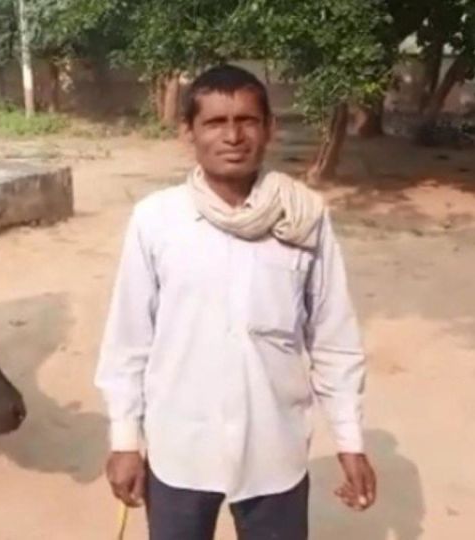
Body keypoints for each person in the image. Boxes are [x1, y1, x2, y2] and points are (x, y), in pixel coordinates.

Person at [94, 64, 377, 540]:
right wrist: (124, 441)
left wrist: (349, 441)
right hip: (180, 450)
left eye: (247, 120)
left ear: (269, 128)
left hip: (274, 451)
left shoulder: (303, 217)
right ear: (188, 132)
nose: (232, 136)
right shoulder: (156, 221)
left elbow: (334, 338)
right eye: (214, 122)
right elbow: (128, 340)